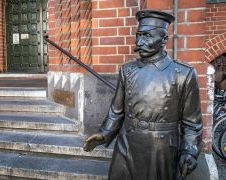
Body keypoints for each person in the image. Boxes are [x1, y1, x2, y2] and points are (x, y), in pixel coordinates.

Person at [83, 10, 202, 180]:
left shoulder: (183, 74)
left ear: (164, 40)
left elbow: (192, 124)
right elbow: (116, 111)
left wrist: (190, 151)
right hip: (127, 144)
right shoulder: (127, 70)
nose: (139, 42)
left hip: (160, 150)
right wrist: (104, 133)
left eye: (147, 36)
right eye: (138, 35)